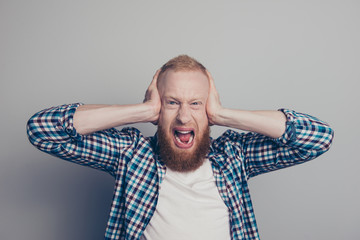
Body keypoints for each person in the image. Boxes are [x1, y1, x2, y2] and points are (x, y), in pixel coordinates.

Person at [27, 55, 334, 240]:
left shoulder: (234, 157)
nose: (184, 116)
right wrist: (142, 111)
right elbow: (43, 130)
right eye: (172, 102)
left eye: (196, 104)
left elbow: (317, 138)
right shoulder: (131, 155)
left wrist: (222, 115)